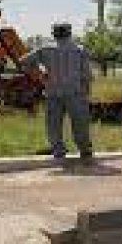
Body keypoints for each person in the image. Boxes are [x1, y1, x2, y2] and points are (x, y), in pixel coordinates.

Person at [21, 22, 94, 164]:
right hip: (76, 93)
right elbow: (87, 75)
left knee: (53, 124)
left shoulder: (45, 49)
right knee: (80, 124)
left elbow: (23, 61)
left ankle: (58, 152)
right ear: (69, 33)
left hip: (53, 93)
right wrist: (86, 93)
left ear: (54, 34)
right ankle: (85, 151)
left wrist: (40, 72)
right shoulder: (80, 50)